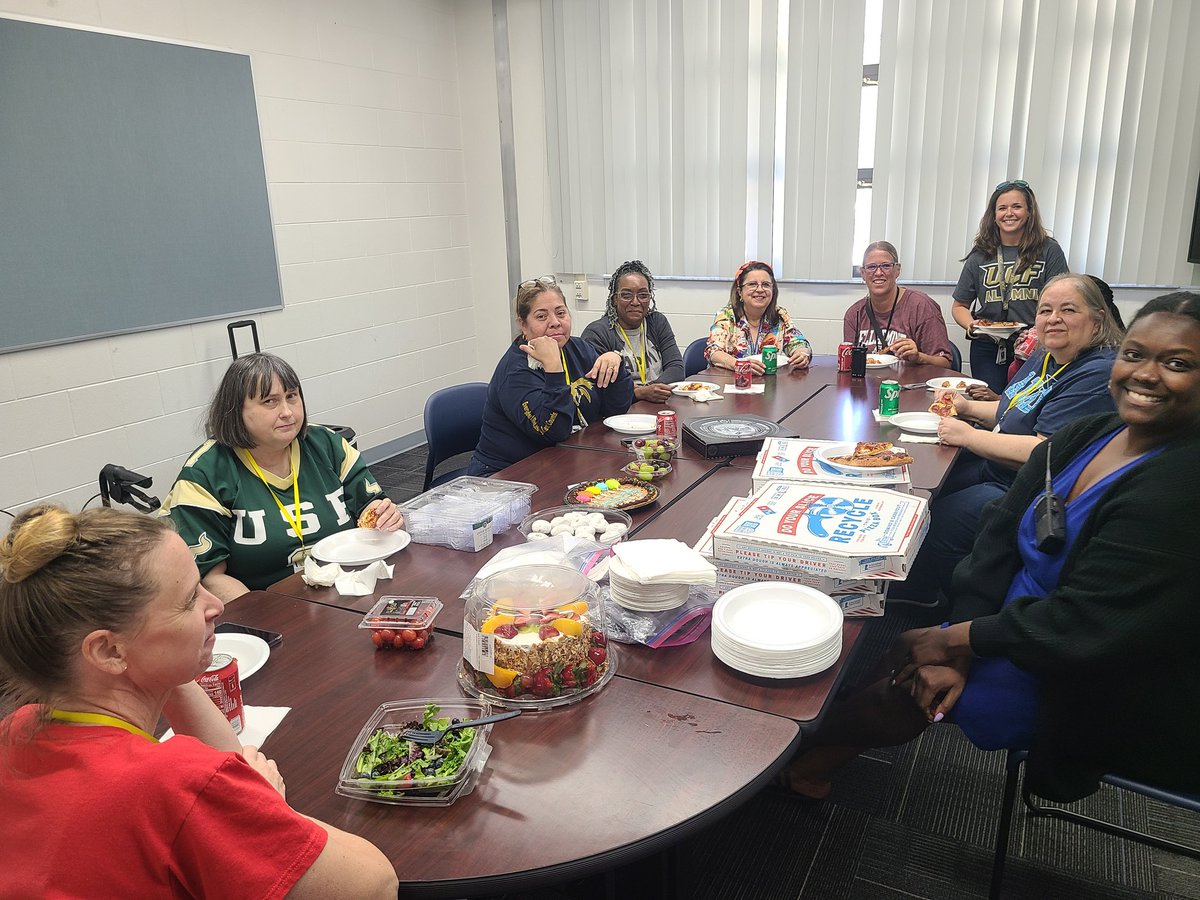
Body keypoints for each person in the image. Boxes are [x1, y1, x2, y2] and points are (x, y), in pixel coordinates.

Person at [776, 292, 1200, 804]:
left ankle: (805, 764)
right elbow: (998, 536)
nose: (1146, 374)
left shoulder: (1180, 488)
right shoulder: (1092, 433)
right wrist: (959, 633)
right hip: (1022, 618)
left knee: (919, 678)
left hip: (1091, 674)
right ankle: (822, 734)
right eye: (1135, 354)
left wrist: (961, 641)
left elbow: (1088, 626)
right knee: (919, 647)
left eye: (1177, 363)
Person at [0, 505, 398, 897]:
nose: (216, 606)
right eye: (190, 599)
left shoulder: (17, 726)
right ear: (108, 652)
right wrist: (264, 803)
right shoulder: (174, 783)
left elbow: (222, 763)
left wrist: (166, 668)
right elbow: (375, 884)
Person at [890, 273, 1122, 602]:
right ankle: (917, 582)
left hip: (1028, 487)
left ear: (1098, 320)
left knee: (939, 521)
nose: (1054, 319)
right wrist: (966, 406)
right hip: (998, 466)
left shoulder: (1095, 373)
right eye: (1045, 311)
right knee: (923, 491)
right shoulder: (1048, 357)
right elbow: (1011, 411)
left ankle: (957, 603)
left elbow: (1043, 450)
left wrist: (968, 435)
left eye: (1068, 310)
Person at [160, 353, 404, 601]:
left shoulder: (328, 445)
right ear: (235, 411)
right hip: (262, 609)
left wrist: (384, 515)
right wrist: (273, 620)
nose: (287, 412)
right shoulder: (205, 473)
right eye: (270, 401)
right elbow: (209, 579)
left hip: (349, 590)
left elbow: (370, 507)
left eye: (291, 397)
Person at [467, 276, 633, 476]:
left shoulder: (578, 347)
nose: (555, 323)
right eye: (541, 316)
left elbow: (614, 409)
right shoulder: (515, 371)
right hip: (506, 474)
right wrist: (554, 369)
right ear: (523, 324)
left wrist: (615, 363)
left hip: (561, 461)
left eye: (561, 313)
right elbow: (552, 431)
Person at [952, 180, 1070, 392]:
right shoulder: (980, 254)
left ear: (1029, 212)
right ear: (994, 215)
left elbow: (1062, 301)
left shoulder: (1049, 250)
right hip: (987, 347)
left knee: (1023, 408)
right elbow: (959, 306)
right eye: (1002, 208)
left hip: (1034, 347)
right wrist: (972, 325)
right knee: (987, 404)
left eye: (1016, 206)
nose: (1009, 213)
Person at [582, 260, 684, 402]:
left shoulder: (657, 322)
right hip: (622, 412)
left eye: (643, 295)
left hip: (660, 403)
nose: (635, 302)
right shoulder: (598, 333)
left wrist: (650, 389)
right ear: (614, 300)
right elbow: (600, 387)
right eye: (627, 295)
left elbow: (676, 368)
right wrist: (638, 393)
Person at [843, 241, 955, 368]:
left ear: (897, 270)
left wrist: (918, 357)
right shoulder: (854, 314)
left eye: (886, 266)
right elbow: (848, 363)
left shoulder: (921, 307)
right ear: (863, 273)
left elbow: (945, 364)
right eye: (871, 267)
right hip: (866, 386)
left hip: (911, 386)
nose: (878, 273)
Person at [705, 260, 812, 373]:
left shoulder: (780, 315)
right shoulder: (726, 315)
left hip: (769, 384)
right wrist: (739, 365)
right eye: (752, 284)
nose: (760, 289)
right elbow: (713, 351)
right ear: (739, 292)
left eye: (766, 284)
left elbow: (799, 343)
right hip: (731, 382)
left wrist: (802, 354)